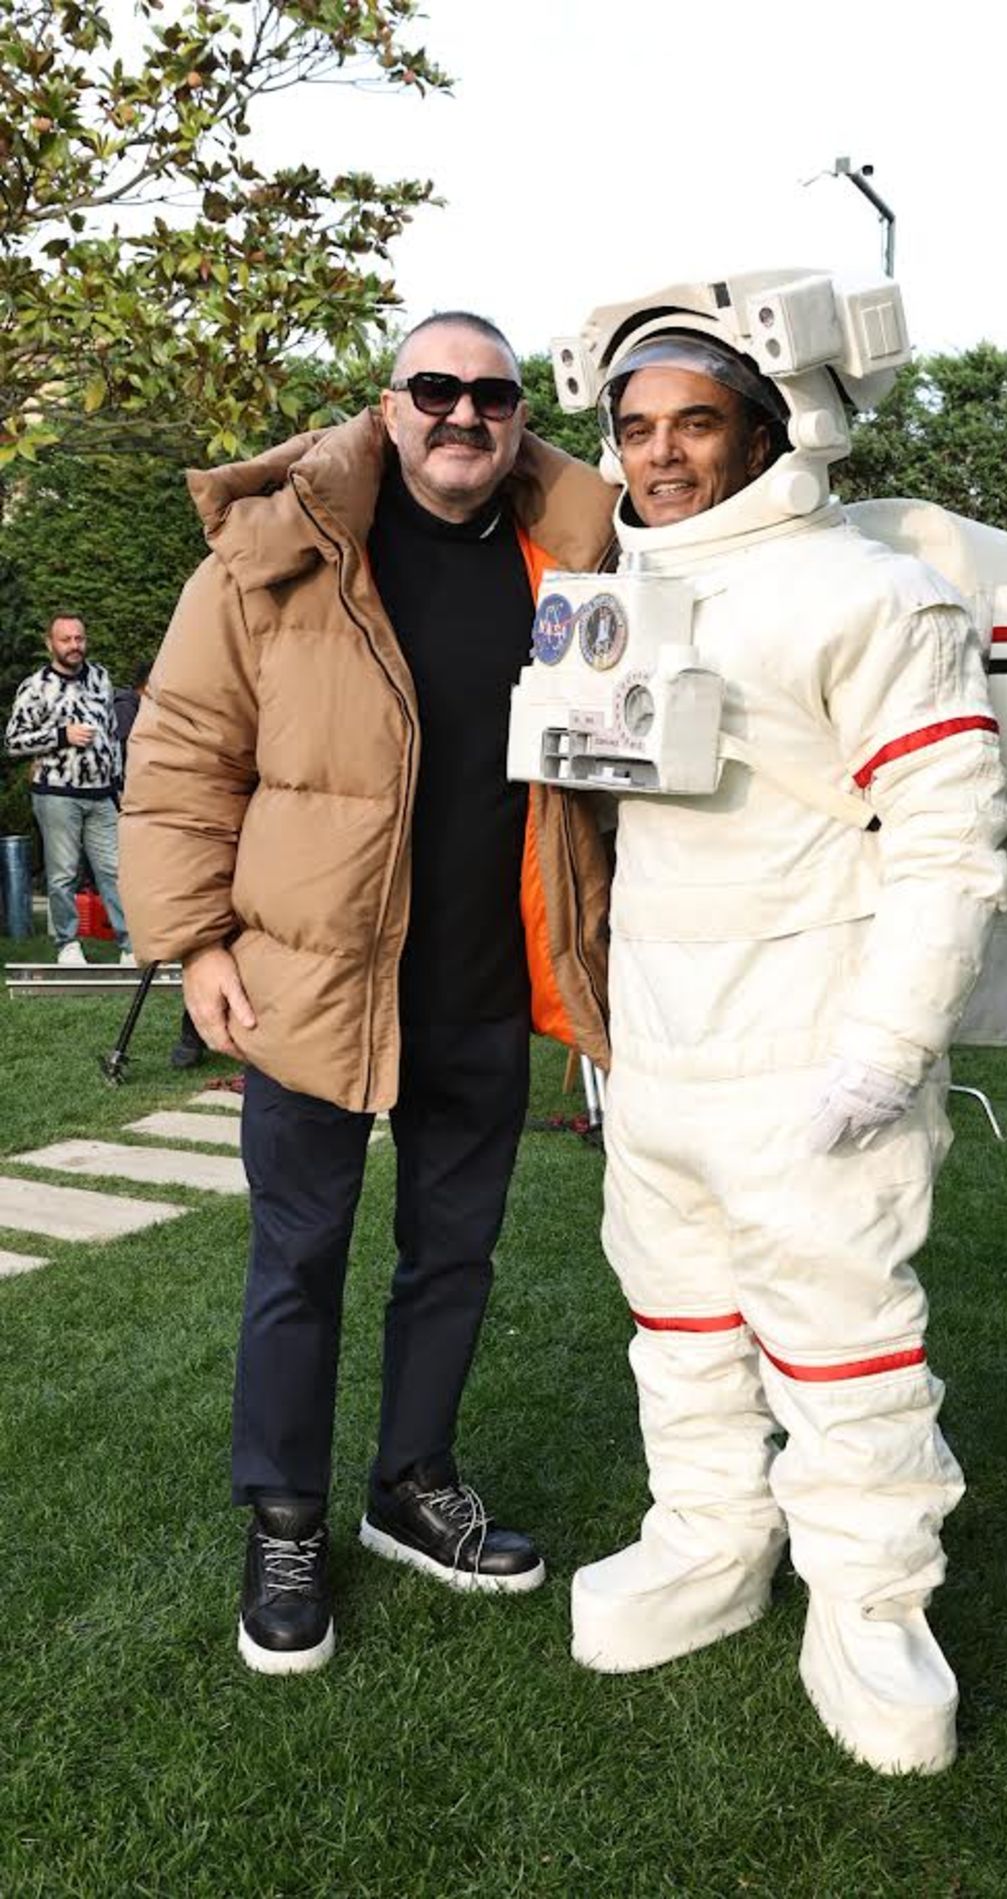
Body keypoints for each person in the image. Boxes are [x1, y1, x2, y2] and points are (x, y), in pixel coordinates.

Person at [120, 312, 613, 1674]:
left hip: (483, 981)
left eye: (493, 395)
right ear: (389, 407)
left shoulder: (578, 555)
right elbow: (183, 752)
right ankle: (284, 1518)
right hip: (308, 979)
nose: (465, 413)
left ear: (520, 418)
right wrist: (198, 943)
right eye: (435, 388)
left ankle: (412, 1483)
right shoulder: (280, 549)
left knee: (453, 1254)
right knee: (299, 1256)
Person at [559, 320, 1007, 1775]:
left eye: (694, 422)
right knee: (680, 1328)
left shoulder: (868, 594)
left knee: (842, 1353)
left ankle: (872, 1610)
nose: (660, 454)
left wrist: (886, 1044)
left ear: (773, 429)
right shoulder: (618, 595)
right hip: (659, 1054)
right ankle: (707, 1540)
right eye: (636, 427)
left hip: (812, 1057)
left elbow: (947, 837)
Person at [4, 612, 135, 966]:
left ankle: (130, 946)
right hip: (56, 794)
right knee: (63, 873)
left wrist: (118, 784)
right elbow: (13, 741)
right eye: (66, 639)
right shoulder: (35, 687)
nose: (74, 645)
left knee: (116, 872)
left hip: (102, 794)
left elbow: (111, 735)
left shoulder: (100, 677)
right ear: (50, 644)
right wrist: (62, 735)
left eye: (79, 638)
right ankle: (67, 944)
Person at [114, 658, 206, 1066]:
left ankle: (196, 1031)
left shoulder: (199, 718)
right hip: (180, 832)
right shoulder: (144, 724)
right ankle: (193, 1034)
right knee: (197, 931)